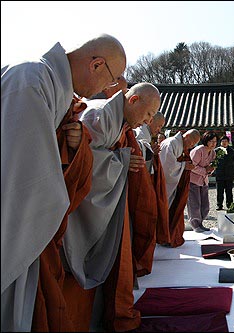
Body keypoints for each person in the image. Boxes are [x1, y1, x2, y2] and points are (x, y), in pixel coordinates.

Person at [1, 33, 126, 332]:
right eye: (110, 81)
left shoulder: (56, 89)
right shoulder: (31, 80)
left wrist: (76, 144)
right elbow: (22, 177)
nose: (105, 91)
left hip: (37, 223)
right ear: (96, 65)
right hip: (18, 221)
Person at [62, 82, 160, 331]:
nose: (149, 122)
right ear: (134, 100)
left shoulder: (119, 121)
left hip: (107, 203)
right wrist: (123, 160)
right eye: (149, 114)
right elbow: (81, 163)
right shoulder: (100, 115)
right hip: (79, 212)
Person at [159, 129, 200, 246]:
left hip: (175, 185)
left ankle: (171, 237)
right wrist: (184, 166)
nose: (191, 146)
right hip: (166, 185)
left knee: (175, 209)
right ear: (186, 136)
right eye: (191, 142)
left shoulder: (180, 145)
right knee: (166, 210)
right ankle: (165, 238)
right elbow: (167, 167)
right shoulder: (171, 143)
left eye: (193, 144)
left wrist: (185, 166)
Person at [134, 112, 170, 245]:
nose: (159, 130)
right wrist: (150, 151)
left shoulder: (147, 135)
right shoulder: (140, 133)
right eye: (159, 126)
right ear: (150, 121)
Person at [187, 131, 218, 232]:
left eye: (215, 141)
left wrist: (211, 170)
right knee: (194, 204)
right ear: (206, 141)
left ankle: (200, 223)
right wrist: (205, 170)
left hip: (204, 180)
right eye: (211, 141)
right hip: (193, 180)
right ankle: (195, 225)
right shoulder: (198, 150)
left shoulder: (213, 152)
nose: (213, 144)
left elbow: (211, 167)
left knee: (205, 205)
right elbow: (192, 166)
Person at [215, 135, 234, 210]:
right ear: (220, 142)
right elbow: (212, 162)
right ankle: (219, 205)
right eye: (223, 141)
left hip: (229, 174)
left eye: (226, 141)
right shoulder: (216, 151)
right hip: (219, 174)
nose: (224, 143)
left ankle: (229, 205)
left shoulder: (232, 151)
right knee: (219, 191)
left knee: (229, 191)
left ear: (228, 142)